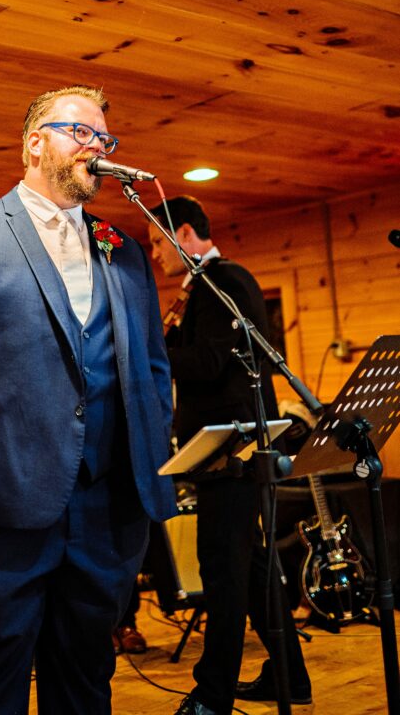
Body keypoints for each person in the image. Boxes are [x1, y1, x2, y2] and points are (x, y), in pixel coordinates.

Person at [0, 85, 177, 715]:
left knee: (85, 672)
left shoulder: (124, 247)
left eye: (104, 138)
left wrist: (151, 468)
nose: (97, 147)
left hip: (109, 510)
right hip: (1, 506)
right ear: (33, 143)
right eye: (81, 132)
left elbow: (152, 369)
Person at [148, 197, 311, 715]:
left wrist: (145, 352)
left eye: (157, 240)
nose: (154, 252)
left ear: (187, 232)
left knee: (221, 570)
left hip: (232, 450)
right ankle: (291, 676)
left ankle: (211, 696)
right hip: (222, 450)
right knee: (252, 565)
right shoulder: (201, 287)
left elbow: (211, 361)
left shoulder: (225, 280)